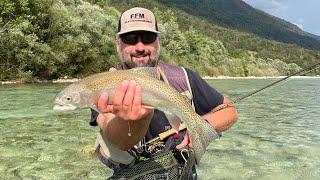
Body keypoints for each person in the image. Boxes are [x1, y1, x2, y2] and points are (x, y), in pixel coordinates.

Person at [89, 7, 238, 179]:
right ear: (118, 44)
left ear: (158, 42)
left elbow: (229, 110)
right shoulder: (104, 87)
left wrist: (197, 127)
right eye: (130, 38)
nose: (139, 47)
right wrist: (139, 119)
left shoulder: (183, 78)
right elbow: (121, 141)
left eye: (148, 38)